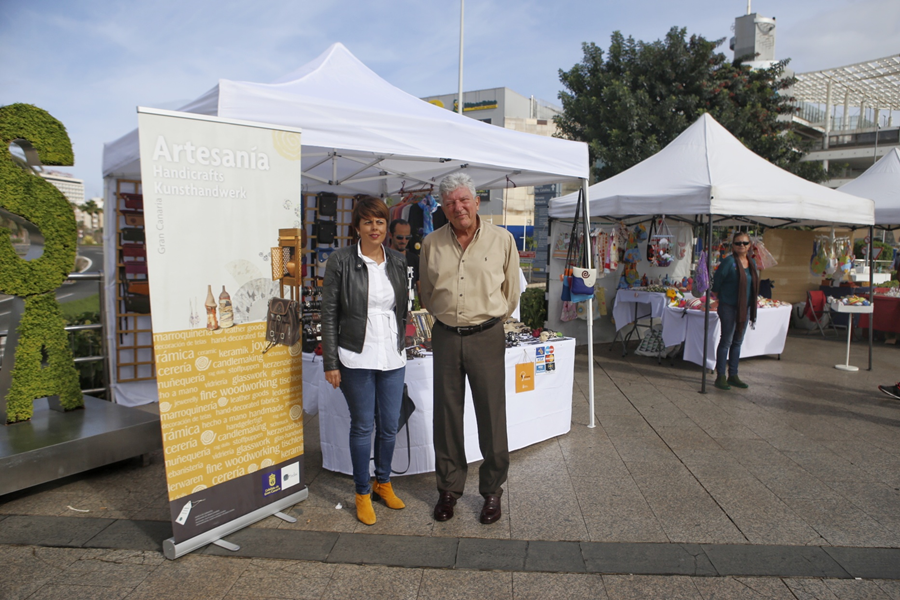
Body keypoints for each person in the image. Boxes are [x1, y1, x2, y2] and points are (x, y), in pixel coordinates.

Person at [419, 173, 520, 524]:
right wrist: (447, 318)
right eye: (449, 203)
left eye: (463, 200)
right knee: (447, 416)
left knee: (491, 415)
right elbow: (426, 292)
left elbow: (511, 294)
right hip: (446, 335)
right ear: (443, 208)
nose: (457, 207)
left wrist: (487, 320)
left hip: (487, 334)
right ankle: (448, 490)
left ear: (477, 202)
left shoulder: (503, 240)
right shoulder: (431, 243)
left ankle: (492, 491)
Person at [321, 195, 409, 525]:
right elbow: (329, 313)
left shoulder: (397, 261)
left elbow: (401, 309)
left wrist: (404, 342)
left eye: (381, 222)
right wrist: (331, 361)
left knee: (388, 424)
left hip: (392, 352)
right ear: (357, 226)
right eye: (368, 222)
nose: (375, 228)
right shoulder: (341, 261)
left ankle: (382, 482)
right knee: (363, 425)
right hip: (355, 353)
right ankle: (361, 492)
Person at [711, 231, 759, 391]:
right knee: (726, 340)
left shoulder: (751, 263)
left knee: (738, 341)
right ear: (733, 245)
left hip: (745, 308)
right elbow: (717, 283)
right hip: (729, 306)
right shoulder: (728, 262)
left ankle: (733, 375)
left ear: (749, 245)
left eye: (745, 243)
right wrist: (719, 299)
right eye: (738, 243)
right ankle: (721, 376)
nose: (742, 246)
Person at [389, 218, 419, 292]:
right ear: (390, 235)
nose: (404, 241)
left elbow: (420, 290)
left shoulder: (414, 259)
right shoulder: (383, 258)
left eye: (407, 238)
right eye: (400, 237)